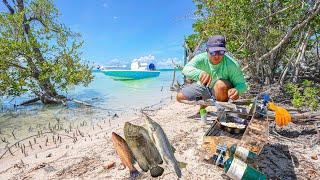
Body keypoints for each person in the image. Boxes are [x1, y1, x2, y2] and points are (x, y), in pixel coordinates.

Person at [176, 35, 248, 112]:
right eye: (213, 52)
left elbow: (243, 85)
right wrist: (199, 74)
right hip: (204, 87)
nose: (217, 56)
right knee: (179, 97)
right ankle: (203, 104)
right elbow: (186, 69)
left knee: (220, 85)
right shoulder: (201, 58)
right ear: (207, 50)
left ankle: (221, 111)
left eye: (221, 52)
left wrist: (237, 90)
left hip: (221, 90)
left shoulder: (232, 64)